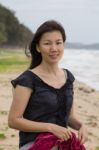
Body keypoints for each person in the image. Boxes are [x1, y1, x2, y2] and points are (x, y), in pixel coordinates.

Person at [8, 20, 88, 150]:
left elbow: (69, 117)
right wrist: (50, 127)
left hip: (63, 143)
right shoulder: (27, 79)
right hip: (34, 144)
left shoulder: (68, 77)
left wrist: (81, 126)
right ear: (38, 47)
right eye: (47, 43)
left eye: (58, 43)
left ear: (63, 45)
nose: (54, 49)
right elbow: (13, 120)